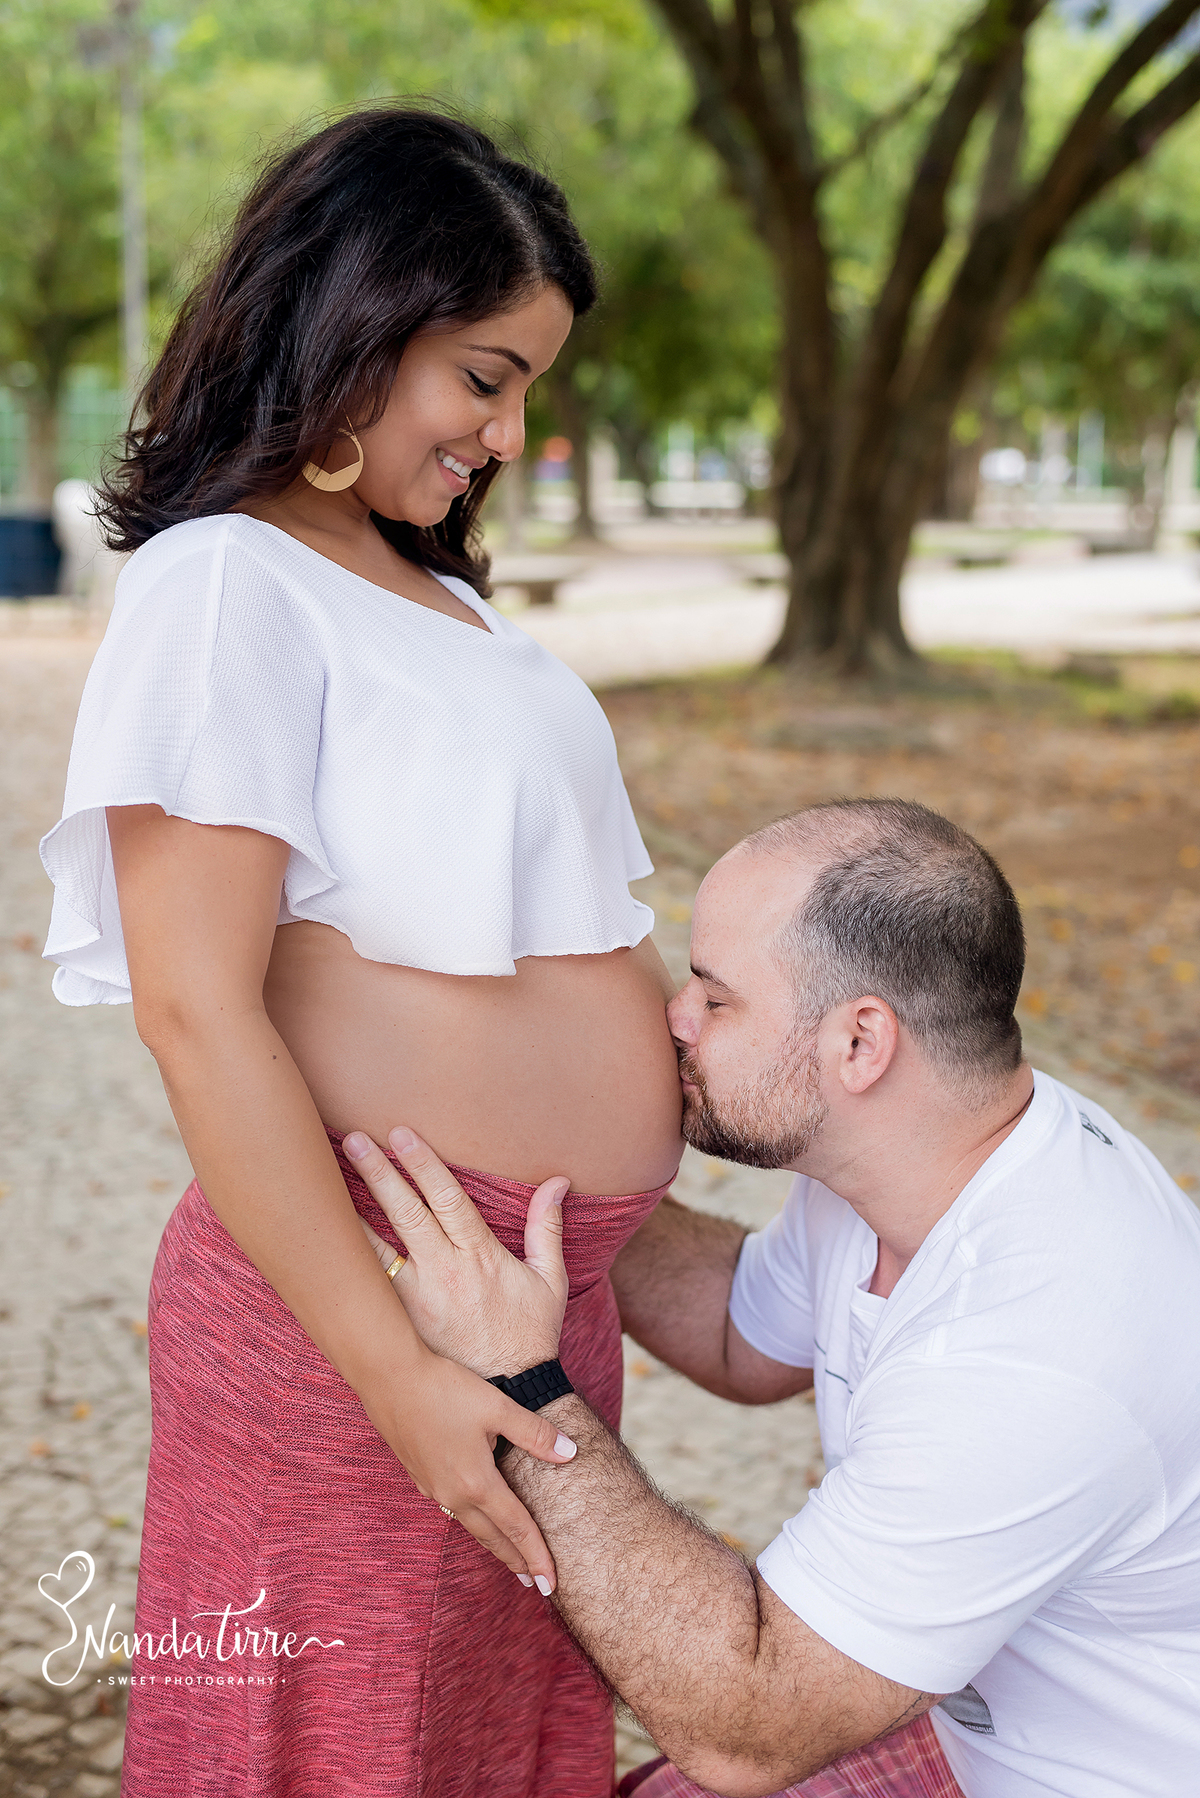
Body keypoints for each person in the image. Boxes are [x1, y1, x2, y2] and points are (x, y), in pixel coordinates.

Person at [38, 108, 683, 1797]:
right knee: (331, 1748)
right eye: (484, 375)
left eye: (530, 385)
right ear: (354, 320)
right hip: (360, 1311)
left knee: (481, 1740)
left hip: (539, 1303)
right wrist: (395, 1371)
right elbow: (195, 1006)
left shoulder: (442, 602)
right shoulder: (224, 587)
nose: (512, 429)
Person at [343, 798, 1200, 1798]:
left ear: (858, 1044)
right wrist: (540, 1176)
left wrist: (517, 1369)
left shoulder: (1030, 1348)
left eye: (715, 995)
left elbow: (745, 1728)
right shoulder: (932, 1159)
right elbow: (741, 1332)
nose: (675, 1016)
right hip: (963, 1723)